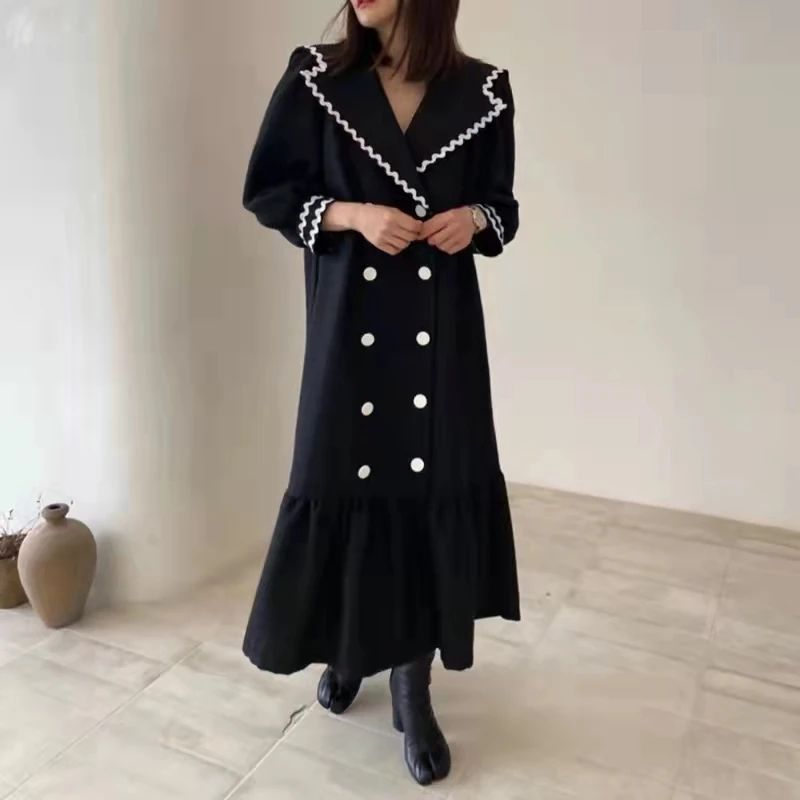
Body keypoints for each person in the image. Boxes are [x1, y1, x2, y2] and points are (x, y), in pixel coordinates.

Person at [242, 0, 520, 786]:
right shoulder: (316, 78)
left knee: (427, 488)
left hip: (441, 339)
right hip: (349, 332)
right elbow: (269, 191)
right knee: (343, 478)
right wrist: (353, 214)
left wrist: (474, 219)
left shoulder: (484, 91)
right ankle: (349, 649)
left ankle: (411, 682)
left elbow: (503, 206)